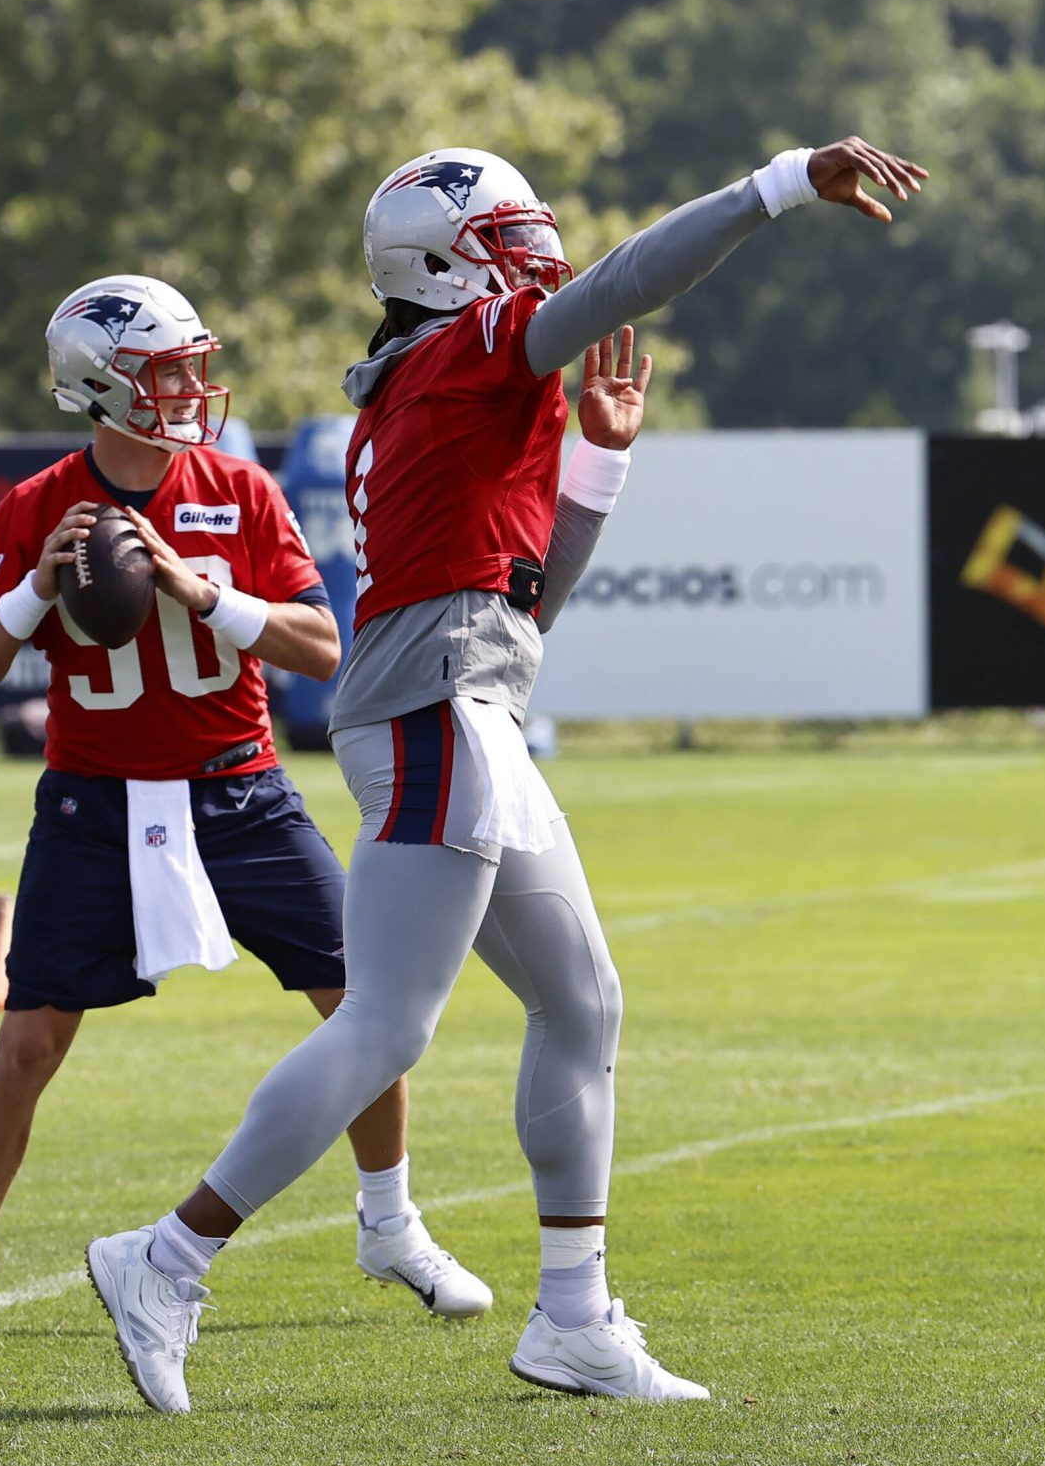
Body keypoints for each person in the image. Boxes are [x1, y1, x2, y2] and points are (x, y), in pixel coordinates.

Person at [82, 136, 926, 1413]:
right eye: (504, 235)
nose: (534, 252)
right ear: (433, 263)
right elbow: (627, 282)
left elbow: (527, 605)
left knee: (583, 1007)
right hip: (434, 716)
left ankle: (575, 1319)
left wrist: (599, 462)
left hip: (469, 703)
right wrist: (775, 183)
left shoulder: (447, 383)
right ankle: (167, 1256)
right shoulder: (455, 352)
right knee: (386, 1024)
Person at [0, 274, 489, 1336]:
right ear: (100, 386)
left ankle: (390, 1222)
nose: (188, 387)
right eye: (163, 370)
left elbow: (322, 644)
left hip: (241, 791)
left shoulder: (239, 489)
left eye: (188, 366)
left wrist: (201, 591)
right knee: (31, 1042)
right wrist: (38, 588)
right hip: (93, 804)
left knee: (366, 1009)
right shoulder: (37, 506)